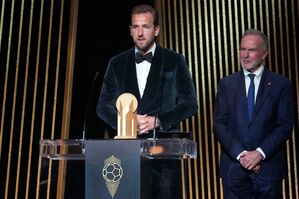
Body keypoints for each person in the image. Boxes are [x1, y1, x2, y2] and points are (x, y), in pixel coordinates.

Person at [96, 4, 197, 199]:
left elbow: (190, 104)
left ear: (156, 30)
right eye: (136, 27)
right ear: (130, 30)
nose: (140, 33)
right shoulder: (116, 63)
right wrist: (126, 124)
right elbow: (103, 105)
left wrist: (157, 120)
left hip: (165, 155)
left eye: (146, 27)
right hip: (126, 153)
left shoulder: (174, 60)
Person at [213, 29, 294, 199]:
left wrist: (259, 153)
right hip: (234, 169)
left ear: (264, 53)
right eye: (242, 49)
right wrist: (242, 155)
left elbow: (285, 125)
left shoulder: (281, 84)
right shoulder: (226, 84)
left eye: (252, 50)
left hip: (268, 169)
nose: (245, 55)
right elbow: (219, 124)